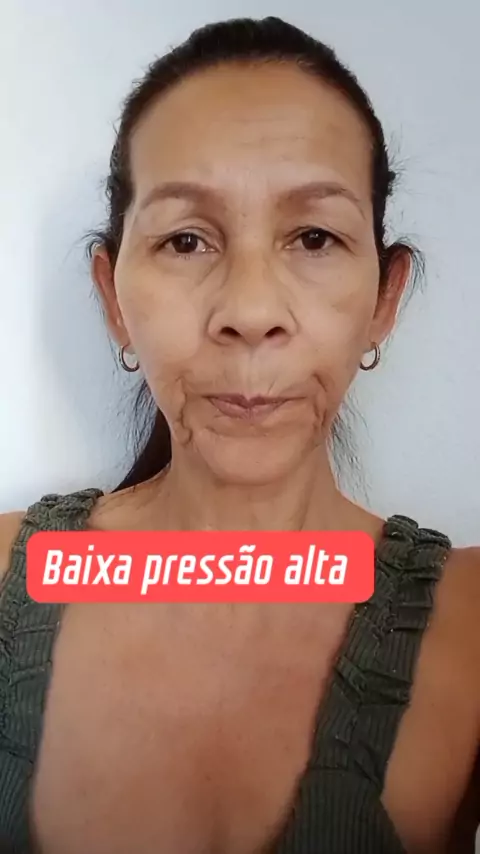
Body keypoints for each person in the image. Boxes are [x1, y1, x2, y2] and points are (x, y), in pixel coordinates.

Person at [0, 15, 478, 854]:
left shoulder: (469, 623)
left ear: (384, 299)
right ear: (114, 300)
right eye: (186, 240)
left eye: (315, 237)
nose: (251, 312)